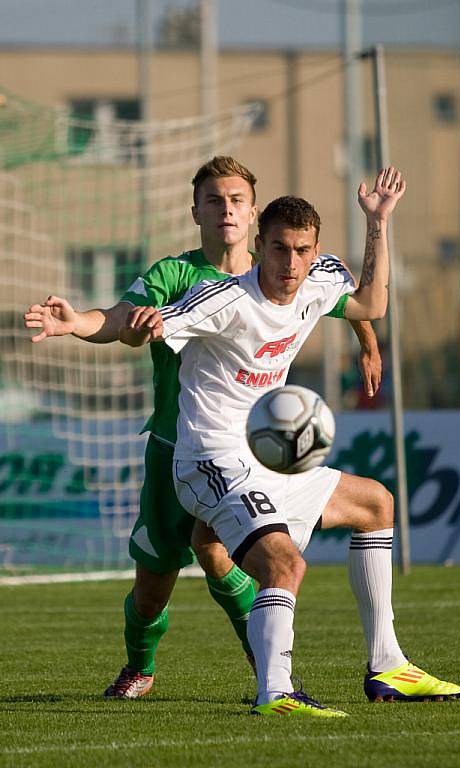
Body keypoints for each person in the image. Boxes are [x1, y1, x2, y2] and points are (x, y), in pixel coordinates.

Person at [23, 156, 382, 700]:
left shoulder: (286, 270)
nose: (225, 210)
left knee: (229, 557)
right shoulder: (178, 277)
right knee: (153, 587)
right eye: (214, 200)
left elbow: (346, 299)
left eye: (236, 200)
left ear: (254, 215)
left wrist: (368, 342)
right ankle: (140, 667)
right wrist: (77, 324)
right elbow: (122, 318)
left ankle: (271, 677)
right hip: (179, 448)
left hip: (250, 454)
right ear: (196, 211)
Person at [122, 167, 460, 717]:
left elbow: (369, 305)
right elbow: (143, 323)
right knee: (268, 567)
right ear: (259, 247)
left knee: (375, 503)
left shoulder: (320, 278)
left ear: (314, 252)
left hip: (261, 460)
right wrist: (94, 324)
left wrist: (377, 223)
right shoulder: (221, 298)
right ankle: (273, 691)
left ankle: (388, 667)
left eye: (300, 251)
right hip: (203, 459)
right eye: (278, 250)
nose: (289, 263)